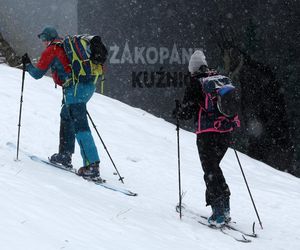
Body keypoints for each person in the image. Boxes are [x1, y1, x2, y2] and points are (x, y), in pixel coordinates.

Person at [22, 26, 100, 178]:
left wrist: (28, 65)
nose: (43, 42)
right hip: (88, 85)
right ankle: (64, 155)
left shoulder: (52, 50)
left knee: (80, 125)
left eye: (43, 39)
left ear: (48, 38)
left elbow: (38, 74)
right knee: (66, 116)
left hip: (75, 88)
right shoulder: (67, 45)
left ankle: (92, 166)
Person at [173, 50, 240, 227]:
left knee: (210, 171)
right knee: (214, 169)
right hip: (226, 131)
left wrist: (178, 112)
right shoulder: (220, 78)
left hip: (207, 134)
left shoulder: (196, 82)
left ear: (192, 68)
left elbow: (187, 110)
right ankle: (224, 208)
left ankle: (218, 213)